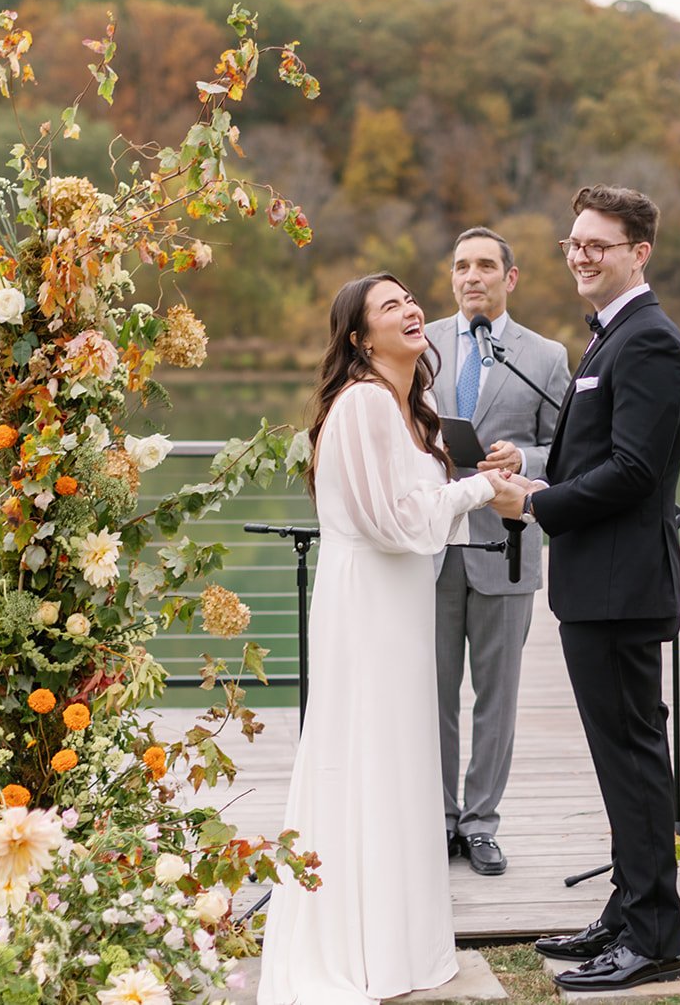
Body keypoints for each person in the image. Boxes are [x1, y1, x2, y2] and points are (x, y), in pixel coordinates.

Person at [258, 273, 526, 1004]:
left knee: (404, 763)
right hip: (368, 609)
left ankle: (404, 942)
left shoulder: (418, 407)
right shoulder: (365, 404)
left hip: (404, 607)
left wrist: (489, 473)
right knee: (368, 758)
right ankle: (361, 947)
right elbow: (396, 523)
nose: (411, 309)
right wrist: (479, 491)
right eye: (390, 306)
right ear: (359, 337)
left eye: (410, 298)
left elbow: (423, 510)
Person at [492, 185, 680, 991]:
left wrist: (536, 504)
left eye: (597, 244)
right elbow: (597, 456)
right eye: (573, 242)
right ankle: (625, 909)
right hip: (598, 586)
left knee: (636, 760)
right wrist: (533, 465)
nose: (580, 255)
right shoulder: (613, 338)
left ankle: (653, 939)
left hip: (622, 588)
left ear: (637, 252)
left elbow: (637, 472)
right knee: (620, 759)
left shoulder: (648, 342)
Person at [426, 226, 571, 876]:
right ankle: (439, 820)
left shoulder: (544, 355)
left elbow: (570, 450)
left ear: (511, 278)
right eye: (462, 266)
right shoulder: (418, 343)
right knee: (432, 694)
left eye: (486, 265)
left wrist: (525, 457)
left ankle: (482, 824)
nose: (472, 276)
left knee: (497, 697)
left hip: (506, 548)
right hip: (429, 548)